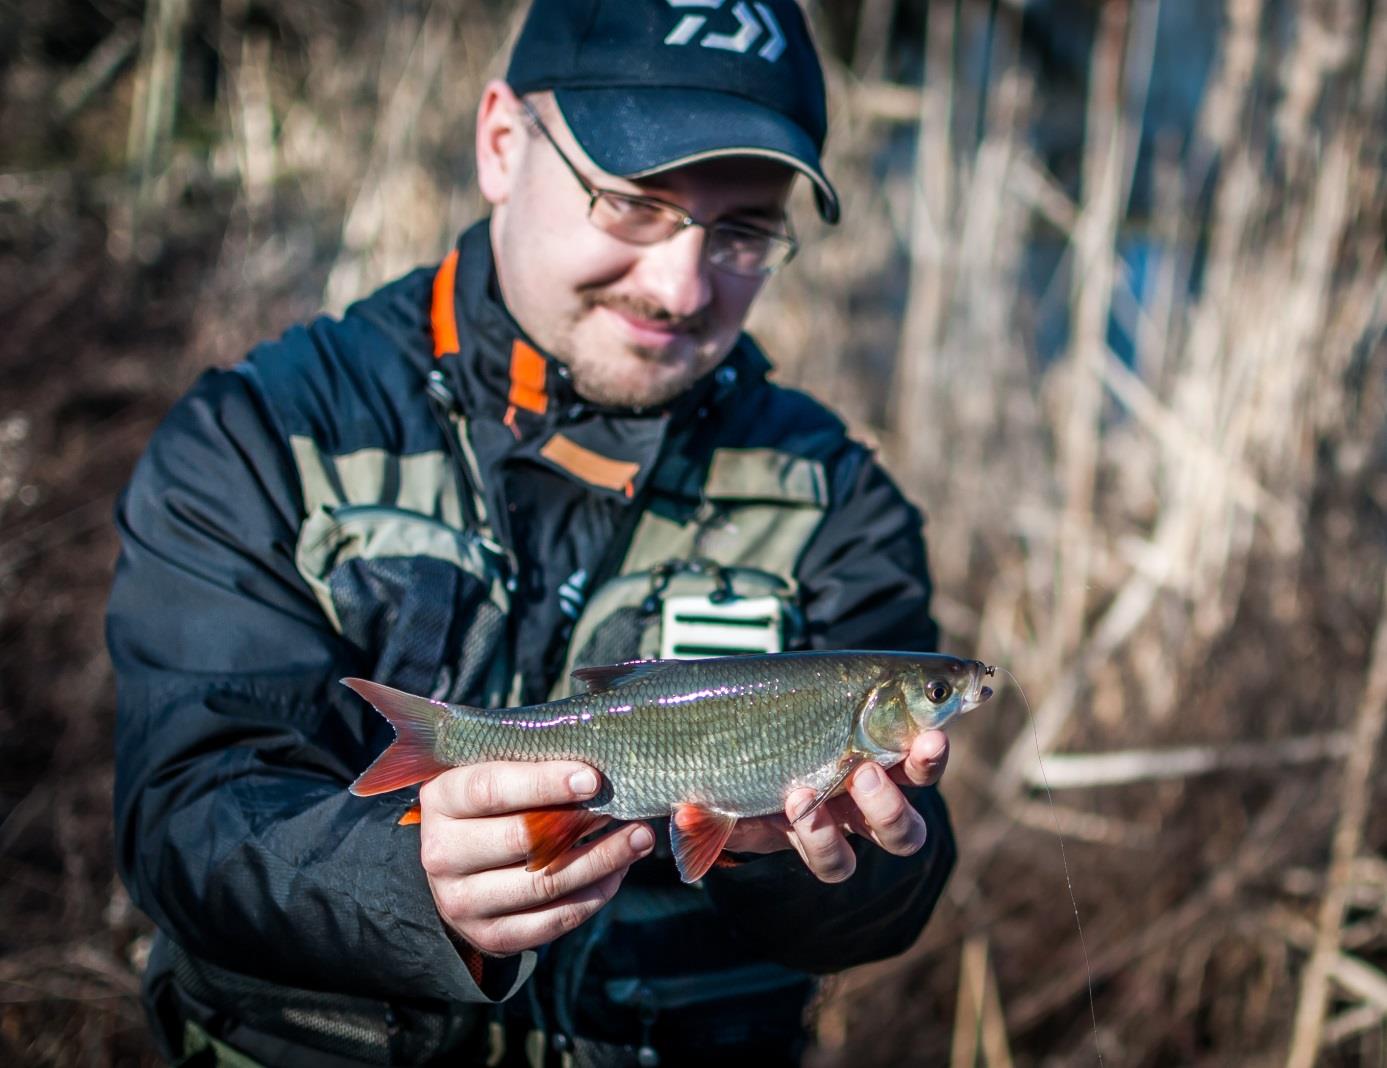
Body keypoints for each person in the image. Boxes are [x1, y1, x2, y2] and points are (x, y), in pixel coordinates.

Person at [109, 2, 957, 1064]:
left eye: (741, 230)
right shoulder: (260, 435)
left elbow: (891, 900)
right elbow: (186, 819)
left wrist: (795, 855)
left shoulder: (840, 497)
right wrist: (404, 890)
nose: (680, 285)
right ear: (502, 144)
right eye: (633, 202)